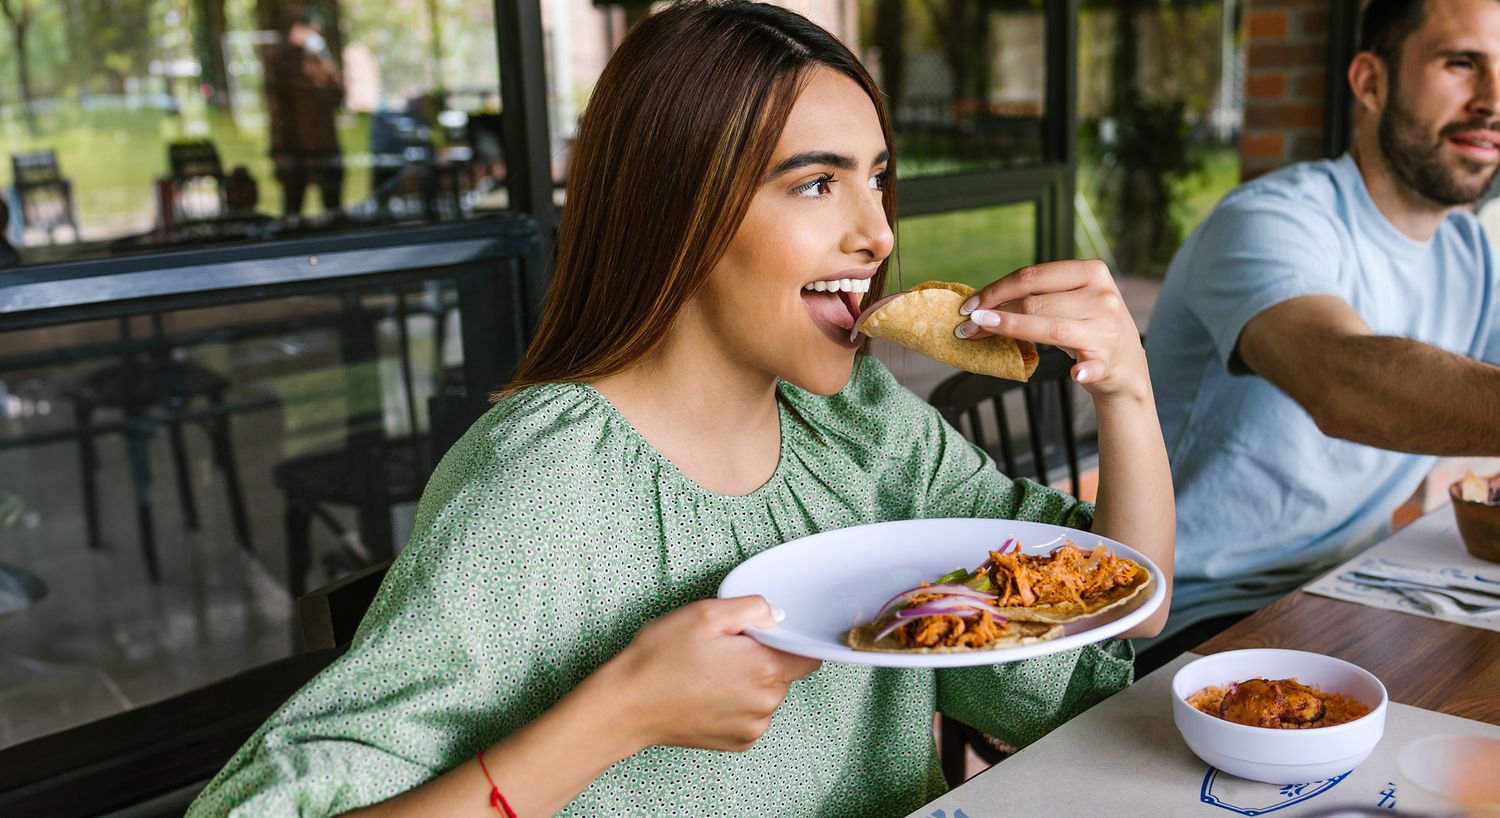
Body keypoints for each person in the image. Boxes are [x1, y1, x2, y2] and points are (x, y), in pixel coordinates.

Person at [188, 2, 1172, 815]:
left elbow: (1126, 605)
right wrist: (617, 713)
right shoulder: (542, 491)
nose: (877, 232)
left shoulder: (868, 426)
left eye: (878, 179)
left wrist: (1126, 388)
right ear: (682, 210)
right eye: (818, 182)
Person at [1139, 0, 1500, 672]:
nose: (1494, 101)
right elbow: (1344, 386)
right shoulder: (1269, 221)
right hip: (1193, 617)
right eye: (1461, 64)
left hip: (1354, 591)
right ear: (1370, 82)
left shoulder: (1470, 252)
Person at [266, 5, 345, 219]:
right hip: (294, 146)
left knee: (333, 207)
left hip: (323, 144)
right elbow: (279, 95)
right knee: (293, 208)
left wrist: (323, 61)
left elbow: (338, 95)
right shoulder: (281, 59)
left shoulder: (320, 58)